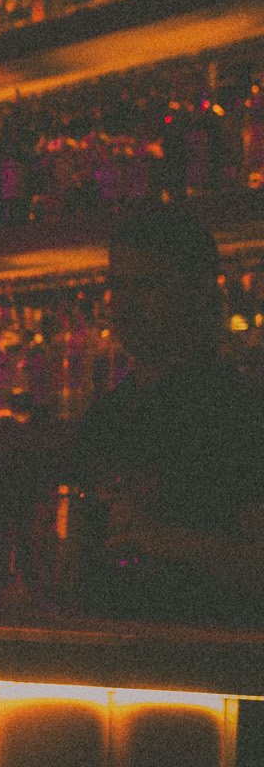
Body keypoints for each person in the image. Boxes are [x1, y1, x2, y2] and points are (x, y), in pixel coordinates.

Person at [72, 207, 264, 624]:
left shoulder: (244, 413)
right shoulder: (106, 417)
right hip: (110, 663)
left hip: (213, 663)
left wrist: (172, 542)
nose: (123, 306)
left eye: (146, 286)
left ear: (199, 295)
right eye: (117, 287)